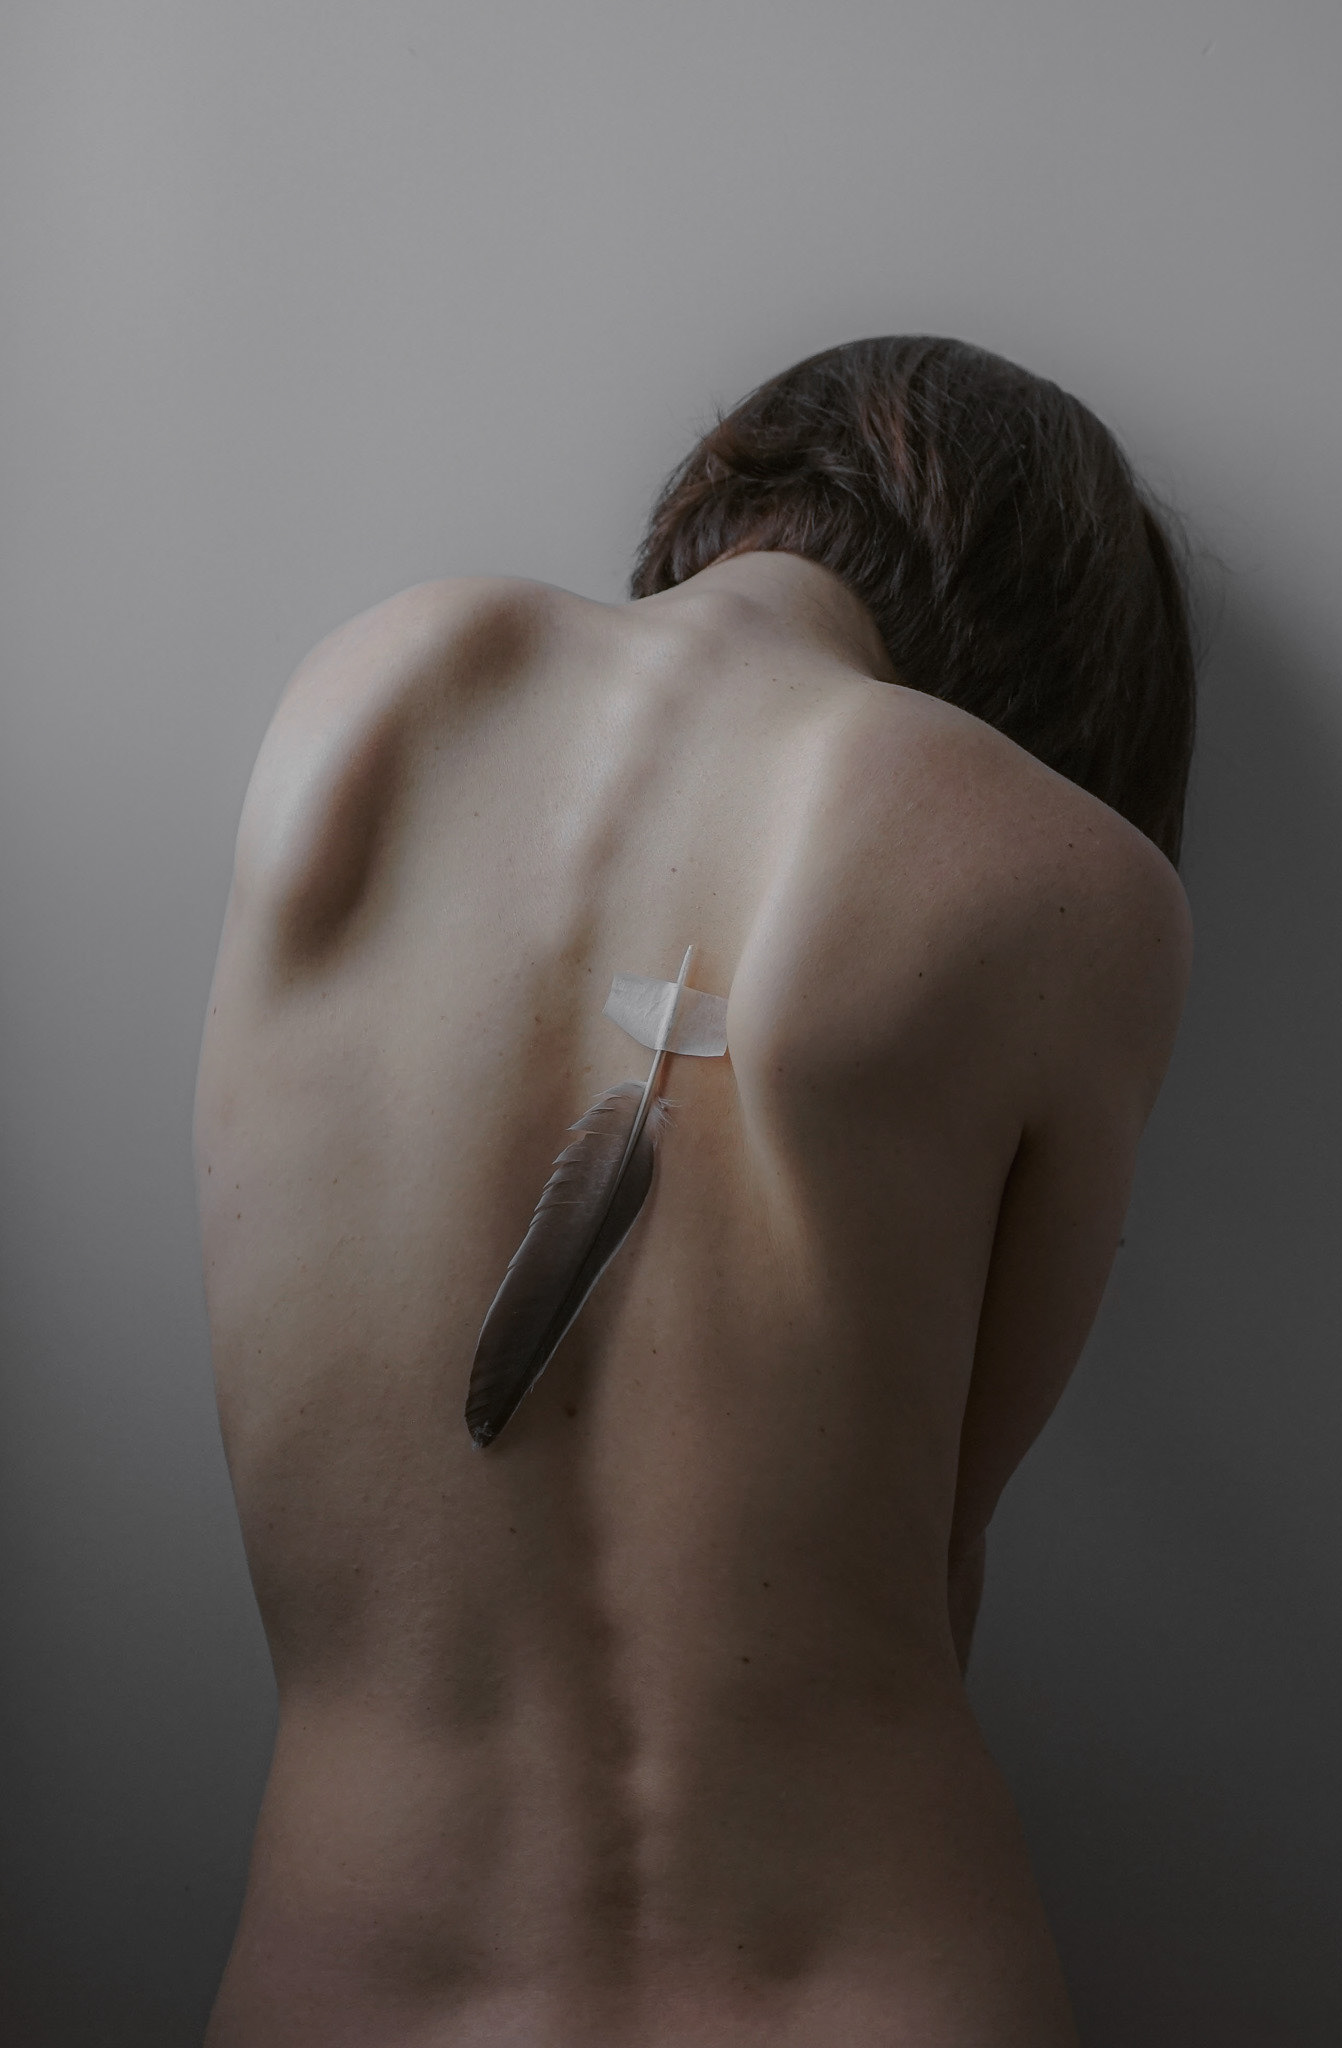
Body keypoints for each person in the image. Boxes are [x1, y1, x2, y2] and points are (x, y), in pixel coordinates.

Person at [195, 336, 1196, 2047]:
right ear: (1055, 660)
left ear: (731, 487)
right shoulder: (1066, 877)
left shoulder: (367, 696)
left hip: (350, 1983)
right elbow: (935, 1551)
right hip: (869, 1989)